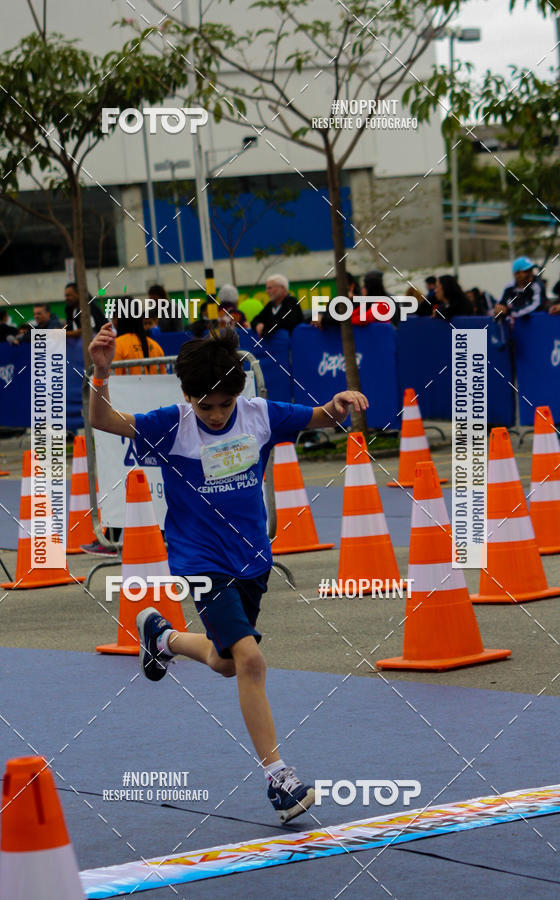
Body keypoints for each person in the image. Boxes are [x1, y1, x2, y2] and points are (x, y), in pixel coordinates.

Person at [88, 324, 368, 822]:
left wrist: (338, 403)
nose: (216, 415)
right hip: (200, 563)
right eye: (206, 406)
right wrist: (102, 374)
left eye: (224, 405)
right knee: (252, 661)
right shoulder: (173, 425)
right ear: (187, 396)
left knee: (225, 663)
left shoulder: (260, 415)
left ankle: (162, 636)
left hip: (252, 560)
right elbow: (106, 421)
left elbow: (319, 418)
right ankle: (280, 779)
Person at [81, 306, 165, 556]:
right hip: (148, 418)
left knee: (116, 473)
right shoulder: (155, 346)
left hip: (119, 417)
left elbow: (108, 377)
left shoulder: (120, 345)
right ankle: (155, 531)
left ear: (119, 319)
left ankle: (115, 535)